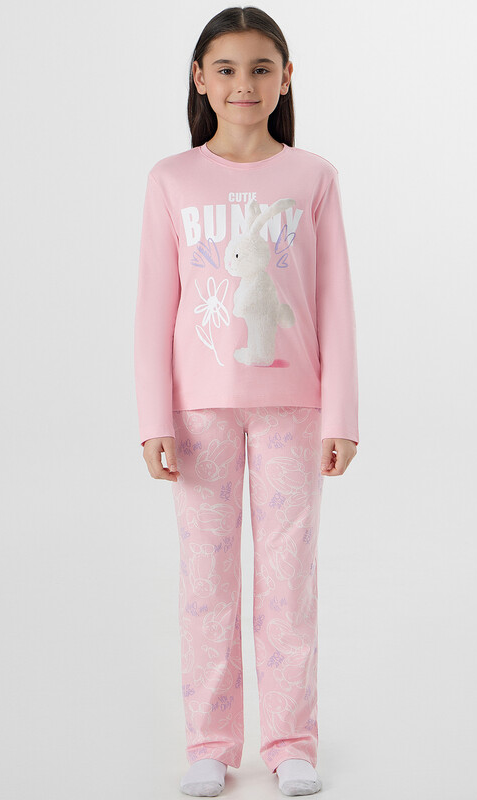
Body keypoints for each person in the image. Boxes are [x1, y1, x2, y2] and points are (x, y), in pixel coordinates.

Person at [134, 6, 359, 796]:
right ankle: (210, 742)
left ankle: (291, 742)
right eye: (226, 69)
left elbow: (334, 302)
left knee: (288, 577)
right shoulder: (172, 179)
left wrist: (342, 415)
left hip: (294, 408)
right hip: (199, 412)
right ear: (200, 79)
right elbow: (154, 306)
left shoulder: (312, 177)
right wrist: (153, 419)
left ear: (286, 78)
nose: (244, 84)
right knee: (206, 579)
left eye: (261, 68)